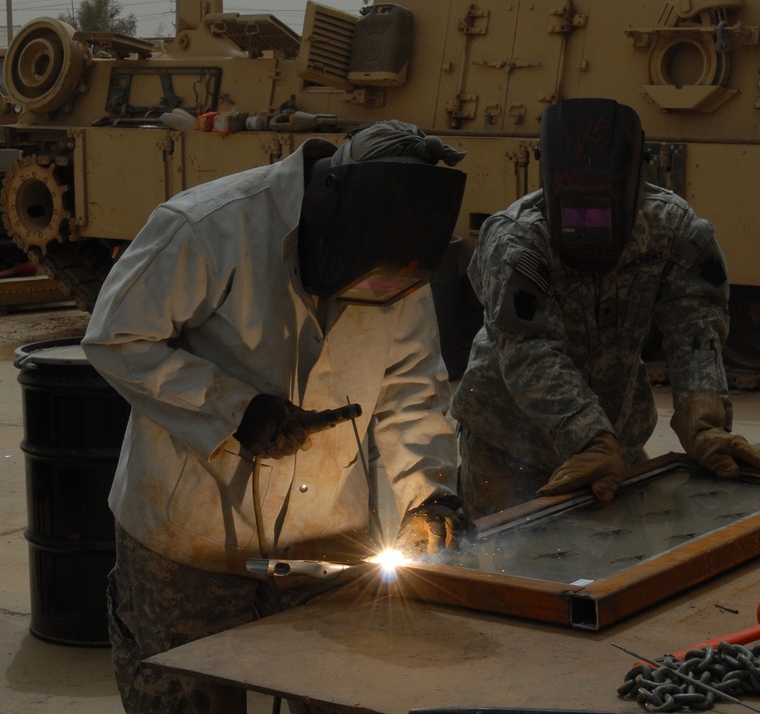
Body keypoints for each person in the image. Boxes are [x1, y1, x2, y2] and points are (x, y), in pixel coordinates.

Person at [81, 120, 473, 713]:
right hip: (191, 541)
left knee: (345, 695)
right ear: (323, 200)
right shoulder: (210, 226)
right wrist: (234, 409)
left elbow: (410, 390)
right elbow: (116, 337)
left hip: (327, 545)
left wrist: (428, 494)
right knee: (187, 700)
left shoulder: (400, 257)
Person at [449, 98, 760, 520]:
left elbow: (696, 326)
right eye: (575, 210)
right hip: (508, 445)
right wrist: (590, 439)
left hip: (616, 436)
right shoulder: (516, 242)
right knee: (505, 566)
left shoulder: (671, 229)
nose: (589, 226)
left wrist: (705, 423)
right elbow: (528, 349)